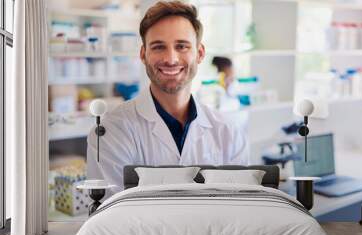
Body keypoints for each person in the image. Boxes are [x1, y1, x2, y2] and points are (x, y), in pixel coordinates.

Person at [86, 1, 249, 194]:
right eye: (158, 47)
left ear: (200, 53)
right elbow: (113, 215)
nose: (171, 59)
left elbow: (240, 209)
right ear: (143, 54)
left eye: (182, 46)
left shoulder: (229, 132)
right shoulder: (111, 132)